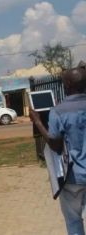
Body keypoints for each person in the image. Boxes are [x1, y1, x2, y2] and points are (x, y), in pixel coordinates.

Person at [30, 66, 86, 234]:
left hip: (73, 178)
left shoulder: (58, 111)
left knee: (74, 222)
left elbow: (55, 144)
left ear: (67, 84)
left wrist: (38, 122)